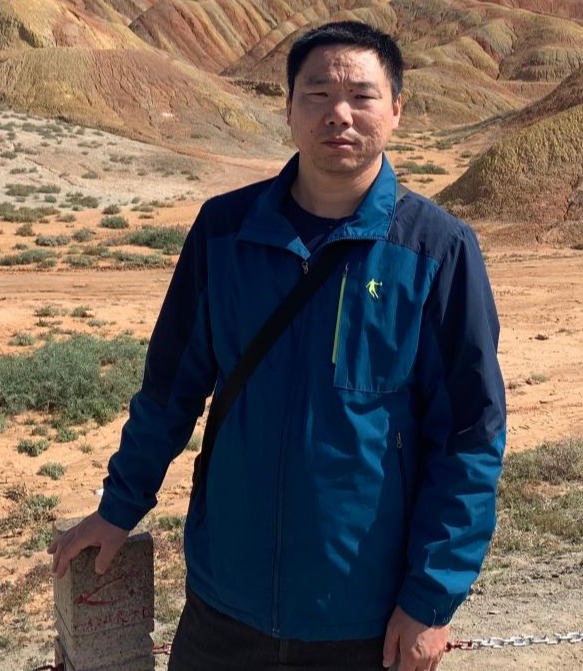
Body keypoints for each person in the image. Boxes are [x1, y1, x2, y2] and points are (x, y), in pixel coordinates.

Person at [49, 20, 506, 671]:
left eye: (362, 96)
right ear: (288, 107)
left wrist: (430, 599)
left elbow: (469, 437)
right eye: (317, 94)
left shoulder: (436, 251)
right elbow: (170, 391)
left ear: (396, 111)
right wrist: (118, 508)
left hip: (363, 614)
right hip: (223, 605)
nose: (338, 113)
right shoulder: (224, 231)